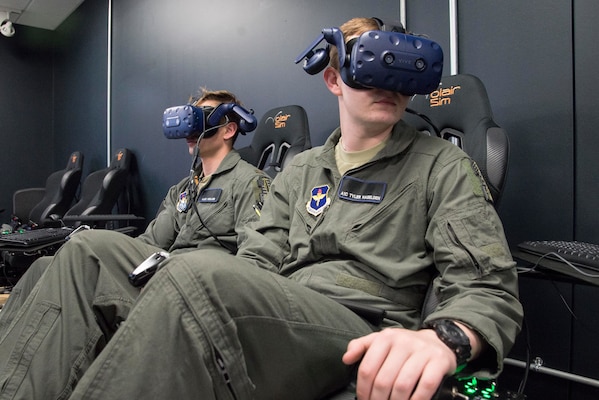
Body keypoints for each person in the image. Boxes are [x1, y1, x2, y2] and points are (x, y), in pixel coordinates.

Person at [6, 17, 522, 400]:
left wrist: (446, 338)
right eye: (366, 68)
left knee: (201, 273)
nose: (385, 85)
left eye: (397, 71)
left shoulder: (440, 166)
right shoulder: (302, 170)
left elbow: (486, 285)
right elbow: (256, 258)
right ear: (334, 78)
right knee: (87, 252)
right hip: (282, 309)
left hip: (362, 324)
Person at [0, 88, 271, 398]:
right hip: (156, 275)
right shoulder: (182, 190)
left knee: (84, 250)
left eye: (202, 118)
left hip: (196, 285)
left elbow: (256, 263)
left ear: (229, 128)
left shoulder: (251, 182)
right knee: (44, 267)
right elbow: (149, 244)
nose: (191, 129)